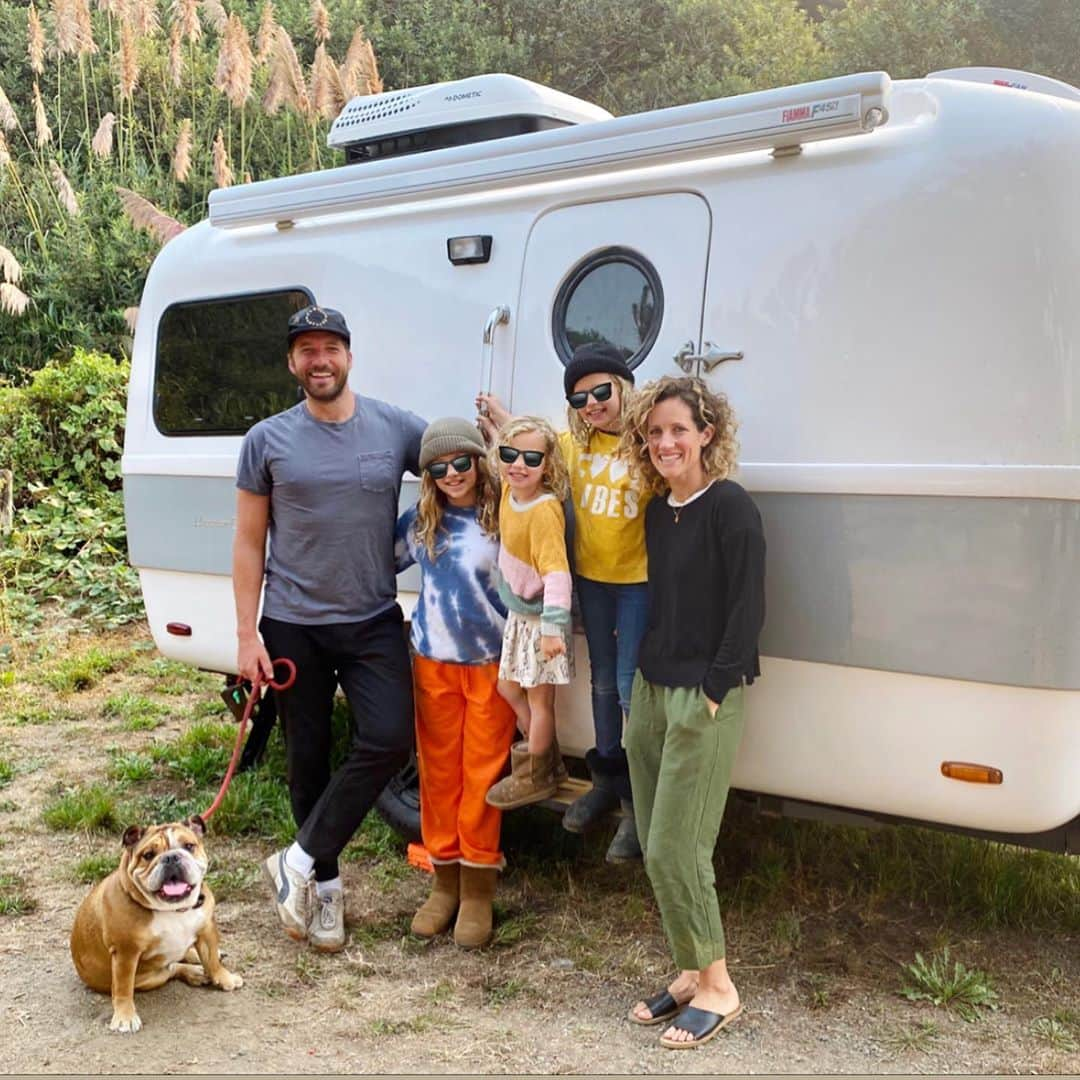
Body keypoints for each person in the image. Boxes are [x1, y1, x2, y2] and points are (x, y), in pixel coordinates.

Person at [233, 303, 426, 953]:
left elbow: (463, 461)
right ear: (292, 363)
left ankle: (296, 860)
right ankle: (324, 893)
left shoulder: (394, 428)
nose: (320, 360)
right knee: (307, 760)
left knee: (391, 737)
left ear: (348, 354)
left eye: (330, 348)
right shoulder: (267, 440)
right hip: (293, 625)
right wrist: (244, 636)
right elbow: (247, 541)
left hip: (372, 618)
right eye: (306, 350)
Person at [620, 375, 765, 1049]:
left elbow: (748, 605)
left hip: (706, 695)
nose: (666, 442)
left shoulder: (731, 507)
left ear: (707, 433)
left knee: (684, 845)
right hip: (652, 690)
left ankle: (720, 986)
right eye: (654, 433)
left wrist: (716, 685)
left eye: (679, 429)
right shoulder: (658, 510)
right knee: (654, 843)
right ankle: (688, 970)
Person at [477, 342, 651, 862]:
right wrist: (505, 426)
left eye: (601, 391)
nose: (592, 403)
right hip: (592, 582)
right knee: (601, 683)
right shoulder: (577, 444)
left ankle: (640, 805)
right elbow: (538, 444)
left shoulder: (644, 444)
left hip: (638, 582)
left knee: (626, 688)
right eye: (579, 397)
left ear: (624, 387)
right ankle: (605, 784)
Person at [393, 418, 517, 948]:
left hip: (491, 662)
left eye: (460, 462)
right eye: (437, 468)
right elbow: (378, 564)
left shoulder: (503, 517)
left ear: (478, 460)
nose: (450, 475)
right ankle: (444, 882)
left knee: (484, 776)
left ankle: (478, 890)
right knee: (439, 774)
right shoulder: (420, 524)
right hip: (432, 661)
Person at [484, 416, 574, 810]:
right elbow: (512, 446)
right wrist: (499, 424)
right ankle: (548, 759)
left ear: (547, 465)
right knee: (507, 688)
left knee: (541, 703)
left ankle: (533, 775)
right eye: (509, 455)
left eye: (531, 458)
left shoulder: (544, 511)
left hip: (542, 621)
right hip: (520, 616)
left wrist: (553, 628)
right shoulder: (509, 489)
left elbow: (557, 573)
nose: (519, 464)